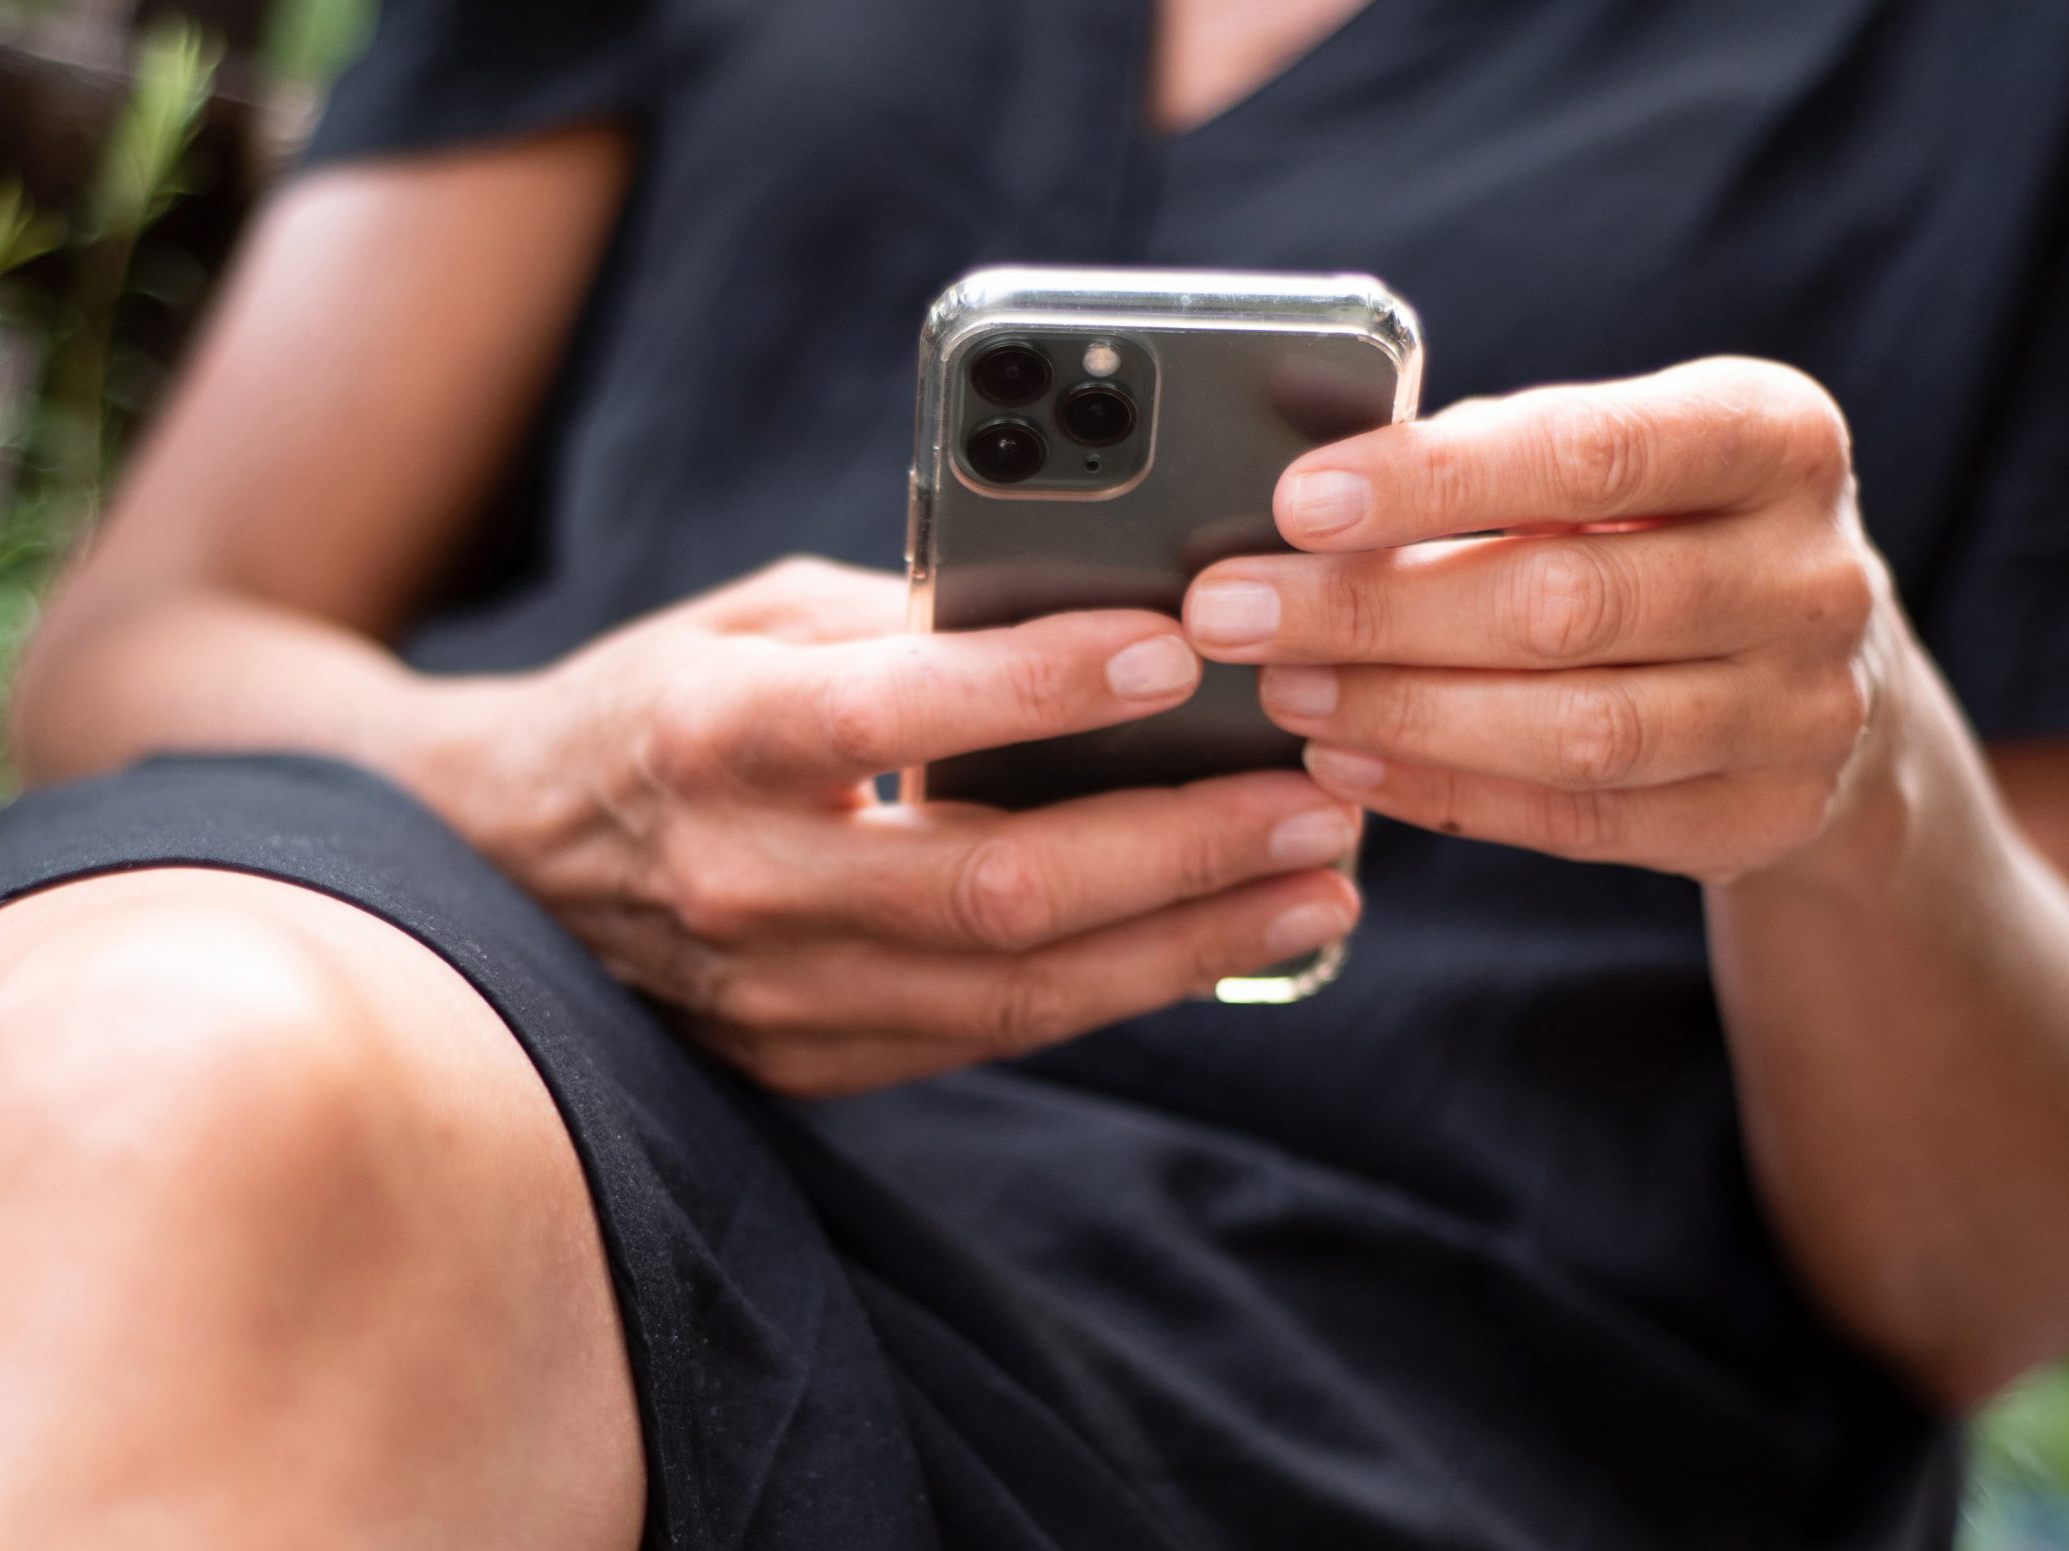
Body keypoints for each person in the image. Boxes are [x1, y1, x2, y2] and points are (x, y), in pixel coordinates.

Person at [3, 0, 2067, 1544]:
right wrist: (521, 774)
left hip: (1353, 1390)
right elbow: (132, 652)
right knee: (181, 1063)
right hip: (506, 1033)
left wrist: (1857, 762)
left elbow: (1996, 1272)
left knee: (205, 1094)